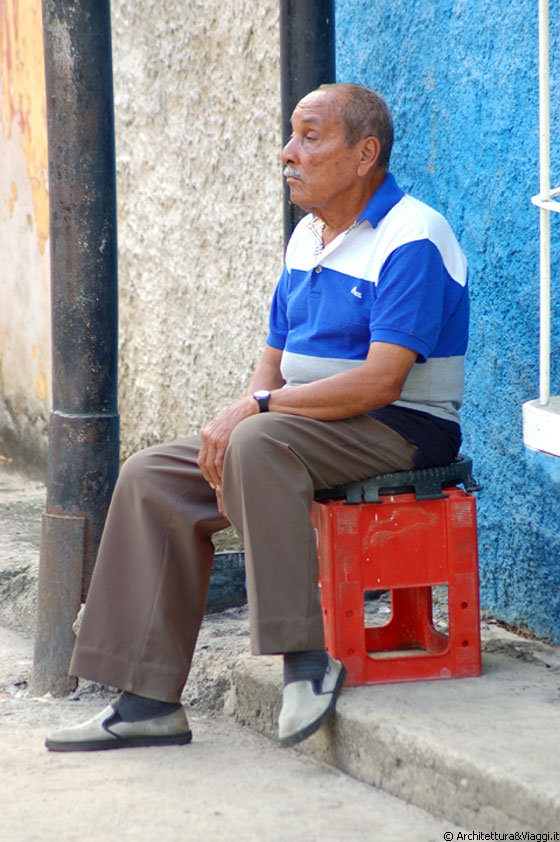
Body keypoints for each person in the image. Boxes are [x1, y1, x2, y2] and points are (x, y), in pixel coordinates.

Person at [45, 82, 468, 752]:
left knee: (260, 440)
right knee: (153, 475)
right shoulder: (308, 236)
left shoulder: (413, 233)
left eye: (310, 136)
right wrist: (249, 407)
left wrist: (257, 411)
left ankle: (304, 658)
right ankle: (146, 699)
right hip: (300, 427)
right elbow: (273, 356)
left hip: (400, 426)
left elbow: (384, 381)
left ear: (364, 155)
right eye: (291, 135)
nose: (287, 153)